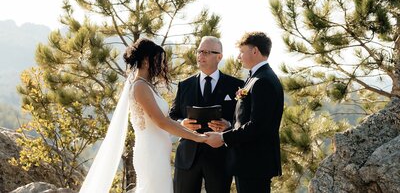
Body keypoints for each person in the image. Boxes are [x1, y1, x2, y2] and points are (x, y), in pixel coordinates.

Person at [79, 38, 207, 193]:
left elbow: (163, 121)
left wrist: (186, 129)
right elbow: (161, 122)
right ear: (147, 60)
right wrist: (196, 137)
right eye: (158, 60)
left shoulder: (147, 86)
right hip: (150, 152)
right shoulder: (140, 86)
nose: (161, 66)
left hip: (158, 151)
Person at [206, 32, 284, 193]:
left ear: (255, 51)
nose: (238, 57)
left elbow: (257, 125)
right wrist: (229, 127)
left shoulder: (263, 81)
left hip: (254, 163)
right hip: (248, 162)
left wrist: (222, 138)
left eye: (242, 51)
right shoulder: (256, 77)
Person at [169, 36, 244, 193]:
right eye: (199, 51)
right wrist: (182, 123)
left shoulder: (235, 85)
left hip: (220, 158)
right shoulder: (185, 85)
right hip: (187, 157)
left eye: (206, 52)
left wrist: (229, 125)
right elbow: (173, 116)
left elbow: (243, 118)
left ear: (219, 57)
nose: (200, 55)